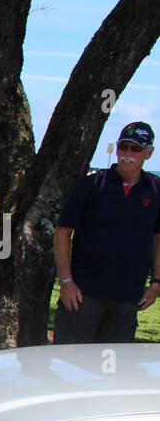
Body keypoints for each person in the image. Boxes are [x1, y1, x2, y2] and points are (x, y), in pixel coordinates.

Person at [53, 121, 160, 343]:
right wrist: (66, 282)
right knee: (70, 368)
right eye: (124, 147)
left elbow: (159, 239)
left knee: (112, 373)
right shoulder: (92, 185)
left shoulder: (155, 190)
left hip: (127, 301)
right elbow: (63, 232)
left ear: (148, 153)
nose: (127, 154)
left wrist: (156, 283)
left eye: (136, 149)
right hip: (83, 296)